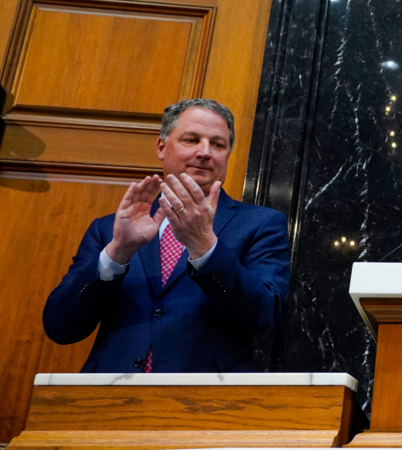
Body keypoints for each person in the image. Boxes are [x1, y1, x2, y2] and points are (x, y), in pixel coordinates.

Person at [43, 99, 290, 373]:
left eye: (218, 144)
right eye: (191, 139)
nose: (205, 152)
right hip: (108, 398)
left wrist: (205, 248)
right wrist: (116, 254)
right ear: (162, 147)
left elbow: (262, 315)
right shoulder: (109, 229)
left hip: (207, 403)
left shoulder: (261, 223)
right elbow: (60, 327)